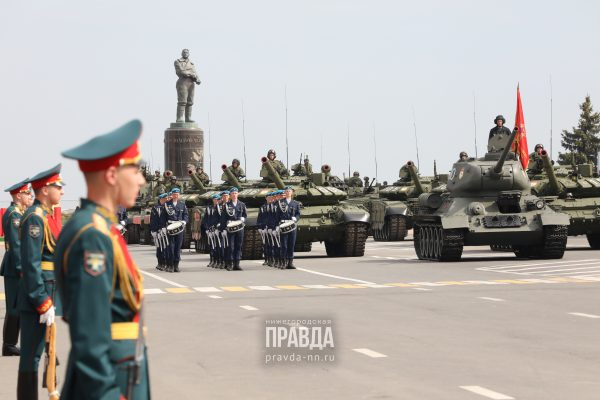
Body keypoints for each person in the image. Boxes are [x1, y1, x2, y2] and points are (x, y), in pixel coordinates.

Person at [55, 119, 149, 399]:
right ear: (111, 175)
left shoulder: (101, 228)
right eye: (135, 169)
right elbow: (90, 340)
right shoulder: (92, 235)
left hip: (124, 369)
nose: (141, 180)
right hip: (109, 382)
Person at [17, 164, 65, 399]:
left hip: (48, 293)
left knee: (44, 353)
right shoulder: (35, 219)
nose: (62, 191)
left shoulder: (45, 217)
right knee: (31, 357)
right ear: (45, 189)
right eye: (58, 186)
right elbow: (31, 264)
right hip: (38, 297)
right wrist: (42, 300)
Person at [1, 179, 31, 357]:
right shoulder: (14, 215)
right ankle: (9, 345)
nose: (30, 196)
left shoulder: (18, 213)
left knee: (17, 306)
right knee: (14, 307)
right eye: (27, 194)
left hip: (16, 264)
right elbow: (16, 244)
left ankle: (10, 344)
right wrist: (22, 268)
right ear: (18, 195)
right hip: (15, 266)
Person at [162, 188, 188, 272]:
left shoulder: (182, 204)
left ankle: (176, 265)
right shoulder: (167, 204)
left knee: (178, 247)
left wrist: (184, 221)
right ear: (172, 195)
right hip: (170, 226)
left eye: (177, 194)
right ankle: (170, 265)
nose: (176, 195)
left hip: (180, 228)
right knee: (171, 247)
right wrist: (163, 227)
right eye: (174, 194)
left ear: (179, 195)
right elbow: (163, 217)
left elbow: (186, 215)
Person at [220, 187, 247, 271]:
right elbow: (223, 218)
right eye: (232, 194)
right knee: (230, 246)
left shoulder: (242, 204)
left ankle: (237, 264)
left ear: (238, 194)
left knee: (238, 246)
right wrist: (223, 229)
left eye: (236, 193)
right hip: (230, 227)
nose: (234, 195)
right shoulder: (227, 205)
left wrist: (243, 219)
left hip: (239, 227)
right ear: (230, 195)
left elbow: (245, 215)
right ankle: (230, 264)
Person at [276, 187, 301, 269]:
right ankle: (283, 262)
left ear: (292, 193)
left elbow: (298, 214)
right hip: (283, 224)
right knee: (284, 245)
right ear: (285, 193)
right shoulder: (280, 202)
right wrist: (276, 226)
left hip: (292, 225)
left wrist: (296, 218)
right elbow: (277, 215)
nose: (288, 192)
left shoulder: (296, 203)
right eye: (286, 191)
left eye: (289, 191)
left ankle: (290, 262)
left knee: (291, 244)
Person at [174, 48, 201, 123]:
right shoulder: (177, 62)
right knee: (182, 101)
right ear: (182, 53)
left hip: (191, 83)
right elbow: (181, 72)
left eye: (187, 52)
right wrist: (191, 74)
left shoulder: (191, 63)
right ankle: (179, 118)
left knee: (190, 101)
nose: (185, 53)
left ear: (188, 54)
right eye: (184, 52)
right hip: (182, 82)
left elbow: (195, 72)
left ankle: (188, 118)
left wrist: (197, 79)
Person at [202, 194, 222, 268]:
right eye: (214, 199)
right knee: (211, 246)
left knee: (218, 246)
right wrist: (207, 228)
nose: (216, 201)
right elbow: (205, 219)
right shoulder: (209, 208)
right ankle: (212, 260)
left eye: (217, 199)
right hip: (210, 229)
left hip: (217, 229)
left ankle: (219, 261)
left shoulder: (220, 208)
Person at [151, 193, 169, 271]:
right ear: (161, 199)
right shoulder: (156, 208)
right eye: (164, 199)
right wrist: (154, 230)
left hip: (167, 229)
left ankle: (166, 263)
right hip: (159, 230)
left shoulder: (168, 206)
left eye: (166, 199)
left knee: (167, 248)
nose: (166, 200)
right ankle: (161, 263)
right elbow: (153, 220)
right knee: (160, 248)